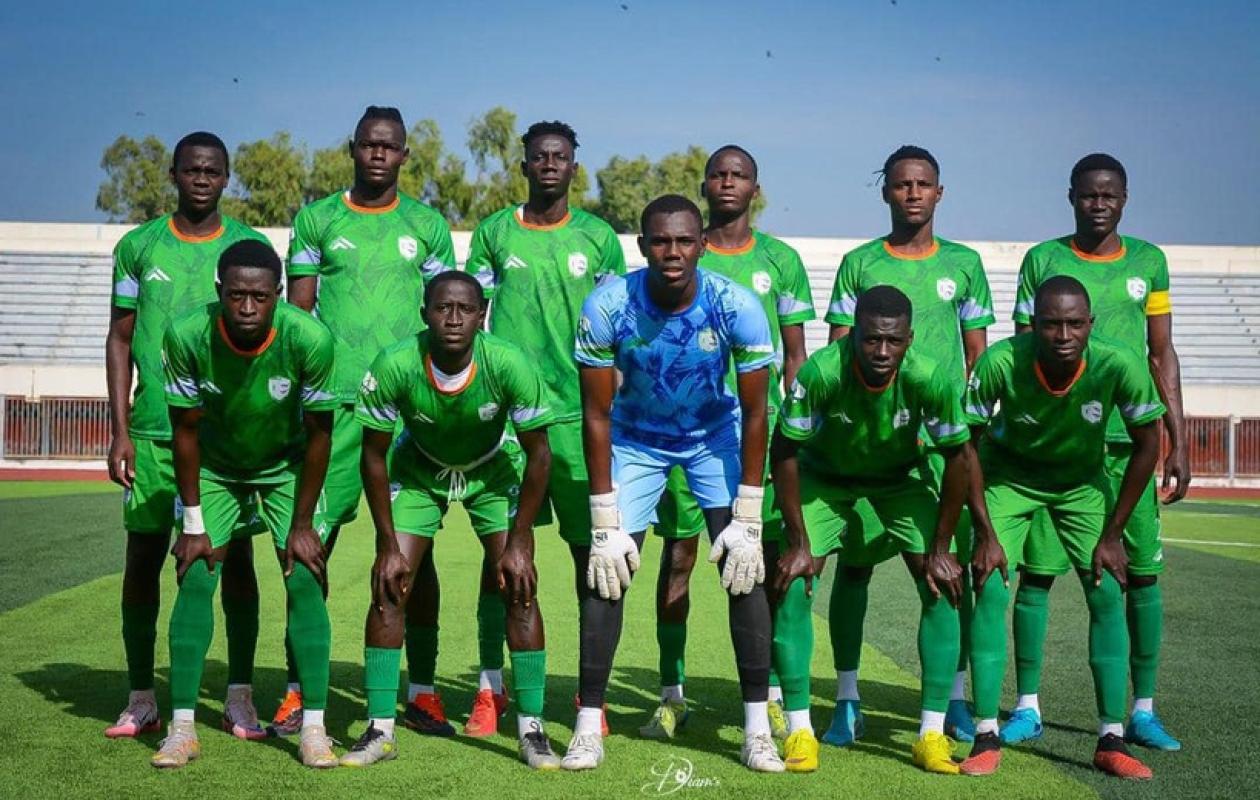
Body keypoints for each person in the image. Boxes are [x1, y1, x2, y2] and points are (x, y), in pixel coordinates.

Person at [566, 195, 783, 773]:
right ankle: (589, 726)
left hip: (715, 437)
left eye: (684, 241)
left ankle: (757, 729)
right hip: (636, 439)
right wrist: (604, 515)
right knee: (605, 573)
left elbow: (758, 413)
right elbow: (595, 414)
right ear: (642, 246)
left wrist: (751, 512)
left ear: (702, 245)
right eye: (660, 241)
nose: (672, 252)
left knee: (744, 568)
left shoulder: (737, 305)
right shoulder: (608, 305)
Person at [1001, 153, 1190, 751]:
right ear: (1072, 198)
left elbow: (1162, 353)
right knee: (1036, 576)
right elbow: (1022, 350)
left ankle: (1142, 709)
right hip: (1059, 446)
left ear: (1125, 198)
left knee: (1140, 576)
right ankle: (1027, 705)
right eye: (1088, 195)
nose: (1099, 203)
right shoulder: (1043, 261)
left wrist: (1177, 438)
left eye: (1109, 195)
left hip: (1129, 445)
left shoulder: (1149, 262)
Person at [339, 271, 562, 769]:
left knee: (520, 584)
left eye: (466, 309)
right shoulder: (396, 363)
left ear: (482, 315)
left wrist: (521, 539)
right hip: (418, 468)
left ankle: (532, 728)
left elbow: (540, 455)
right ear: (425, 313)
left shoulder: (507, 362)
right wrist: (384, 543)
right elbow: (372, 456)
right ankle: (379, 728)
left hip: (492, 468)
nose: (454, 318)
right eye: (443, 308)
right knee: (391, 582)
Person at [283, 105, 456, 735]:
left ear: (405, 155)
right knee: (309, 544)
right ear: (352, 149)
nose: (378, 155)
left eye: (389, 147)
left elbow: (446, 316)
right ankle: (299, 690)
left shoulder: (427, 226)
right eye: (368, 145)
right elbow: (296, 319)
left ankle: (424, 690)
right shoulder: (317, 219)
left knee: (418, 555)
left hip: (406, 411)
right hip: (332, 408)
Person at [646, 145, 818, 771]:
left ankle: (767, 694)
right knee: (679, 559)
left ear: (755, 187)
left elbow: (794, 355)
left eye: (738, 174)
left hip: (749, 437)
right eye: (718, 174)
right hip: (676, 433)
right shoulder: (683, 249)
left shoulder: (781, 261)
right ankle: (672, 692)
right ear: (703, 185)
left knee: (759, 563)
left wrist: (795, 426)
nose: (727, 182)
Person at [821, 145, 993, 745]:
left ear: (939, 193)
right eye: (901, 184)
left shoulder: (965, 264)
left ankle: (953, 697)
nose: (913, 193)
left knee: (944, 573)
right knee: (855, 570)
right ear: (886, 192)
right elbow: (839, 349)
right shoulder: (860, 262)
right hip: (870, 444)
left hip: (941, 447)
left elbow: (979, 356)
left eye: (923, 184)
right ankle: (846, 696)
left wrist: (971, 436)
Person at [961, 276, 1163, 780]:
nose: (1063, 334)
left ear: (1090, 325)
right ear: (1034, 325)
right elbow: (965, 445)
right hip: (1009, 480)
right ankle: (986, 731)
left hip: (1080, 486)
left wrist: (1113, 535)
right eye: (1051, 324)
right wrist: (985, 533)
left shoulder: (1119, 363)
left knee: (1106, 590)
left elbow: (1147, 444)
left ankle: (1111, 737)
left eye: (1074, 324)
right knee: (988, 585)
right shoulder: (1001, 362)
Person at [459, 120, 625, 735]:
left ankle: (591, 698)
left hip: (581, 422)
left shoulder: (599, 238)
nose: (550, 165)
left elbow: (617, 328)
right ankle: (488, 687)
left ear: (574, 168)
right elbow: (471, 317)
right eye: (539, 157)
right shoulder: (495, 233)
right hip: (508, 422)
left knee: (593, 561)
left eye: (561, 157)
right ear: (523, 165)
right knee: (500, 557)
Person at [104, 131, 267, 740]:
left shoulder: (245, 247)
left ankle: (240, 695)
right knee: (142, 559)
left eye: (214, 170)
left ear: (227, 178)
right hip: (150, 433)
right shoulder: (138, 247)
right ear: (173, 174)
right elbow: (121, 339)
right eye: (192, 169)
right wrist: (119, 430)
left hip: (226, 442)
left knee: (236, 561)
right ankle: (142, 692)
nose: (202, 178)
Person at [151, 240, 338, 769]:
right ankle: (182, 728)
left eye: (260, 296)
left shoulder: (310, 339)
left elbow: (320, 433)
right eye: (237, 296)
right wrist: (192, 522)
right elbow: (184, 431)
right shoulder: (187, 334)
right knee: (197, 571)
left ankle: (315, 730)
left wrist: (302, 525)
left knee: (303, 573)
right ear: (220, 292)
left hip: (286, 469)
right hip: (214, 467)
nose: (249, 308)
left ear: (279, 294)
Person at [772, 285, 970, 775]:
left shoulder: (929, 377)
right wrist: (798, 543)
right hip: (825, 478)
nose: (882, 352)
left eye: (894, 341)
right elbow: (784, 452)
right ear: (853, 333)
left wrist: (941, 547)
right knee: (793, 580)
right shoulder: (821, 371)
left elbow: (959, 458)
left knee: (941, 583)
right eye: (871, 340)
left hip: (899, 480)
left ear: (910, 339)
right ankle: (799, 728)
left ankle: (930, 734)